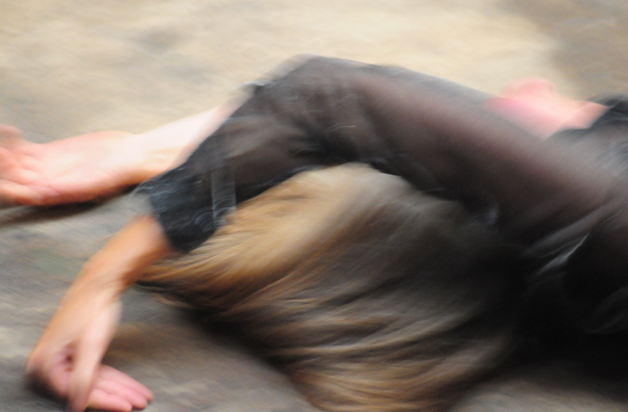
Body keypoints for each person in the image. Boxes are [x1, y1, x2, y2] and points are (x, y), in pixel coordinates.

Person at [2, 56, 627, 411]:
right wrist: (141, 152)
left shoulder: (604, 208)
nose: (531, 86)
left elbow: (324, 99)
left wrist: (103, 275)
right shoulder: (592, 199)